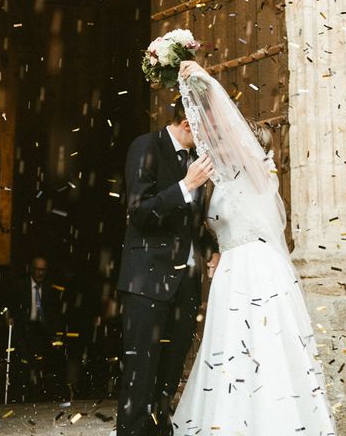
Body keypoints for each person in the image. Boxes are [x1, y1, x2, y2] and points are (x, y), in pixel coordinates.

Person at [171, 61, 337, 435]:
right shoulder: (224, 179)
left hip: (255, 269)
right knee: (231, 351)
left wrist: (203, 86)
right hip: (232, 268)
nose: (221, 141)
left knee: (263, 347)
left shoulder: (257, 171)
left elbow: (226, 127)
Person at [115, 96, 220, 436]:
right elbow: (138, 212)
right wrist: (186, 185)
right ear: (188, 125)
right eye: (203, 132)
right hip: (147, 280)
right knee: (140, 376)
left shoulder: (193, 159)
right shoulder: (146, 146)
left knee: (168, 377)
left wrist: (212, 249)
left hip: (185, 284)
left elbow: (190, 224)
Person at [8, 256, 61, 402]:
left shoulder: (49, 288)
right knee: (25, 361)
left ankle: (39, 394)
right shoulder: (21, 285)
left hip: (41, 329)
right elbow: (11, 305)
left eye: (43, 270)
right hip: (24, 328)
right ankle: (23, 394)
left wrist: (54, 333)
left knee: (42, 362)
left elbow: (53, 312)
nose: (40, 273)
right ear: (32, 269)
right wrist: (10, 317)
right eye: (38, 269)